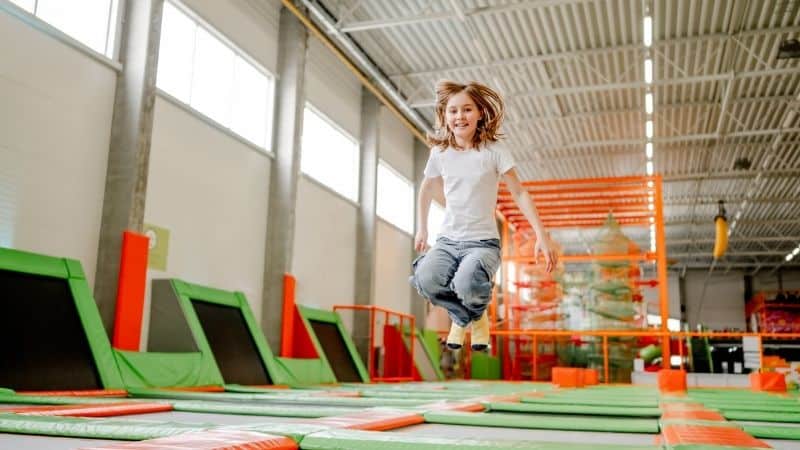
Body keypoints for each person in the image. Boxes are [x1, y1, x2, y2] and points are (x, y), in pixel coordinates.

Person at [409, 80, 558, 351]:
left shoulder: (494, 151)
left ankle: (472, 315)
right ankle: (469, 316)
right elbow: (427, 188)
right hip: (448, 240)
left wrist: (541, 235)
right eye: (453, 111)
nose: (459, 117)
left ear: (480, 113)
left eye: (467, 110)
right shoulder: (440, 152)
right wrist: (422, 229)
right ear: (445, 116)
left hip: (482, 243)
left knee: (467, 282)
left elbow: (519, 192)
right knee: (426, 279)